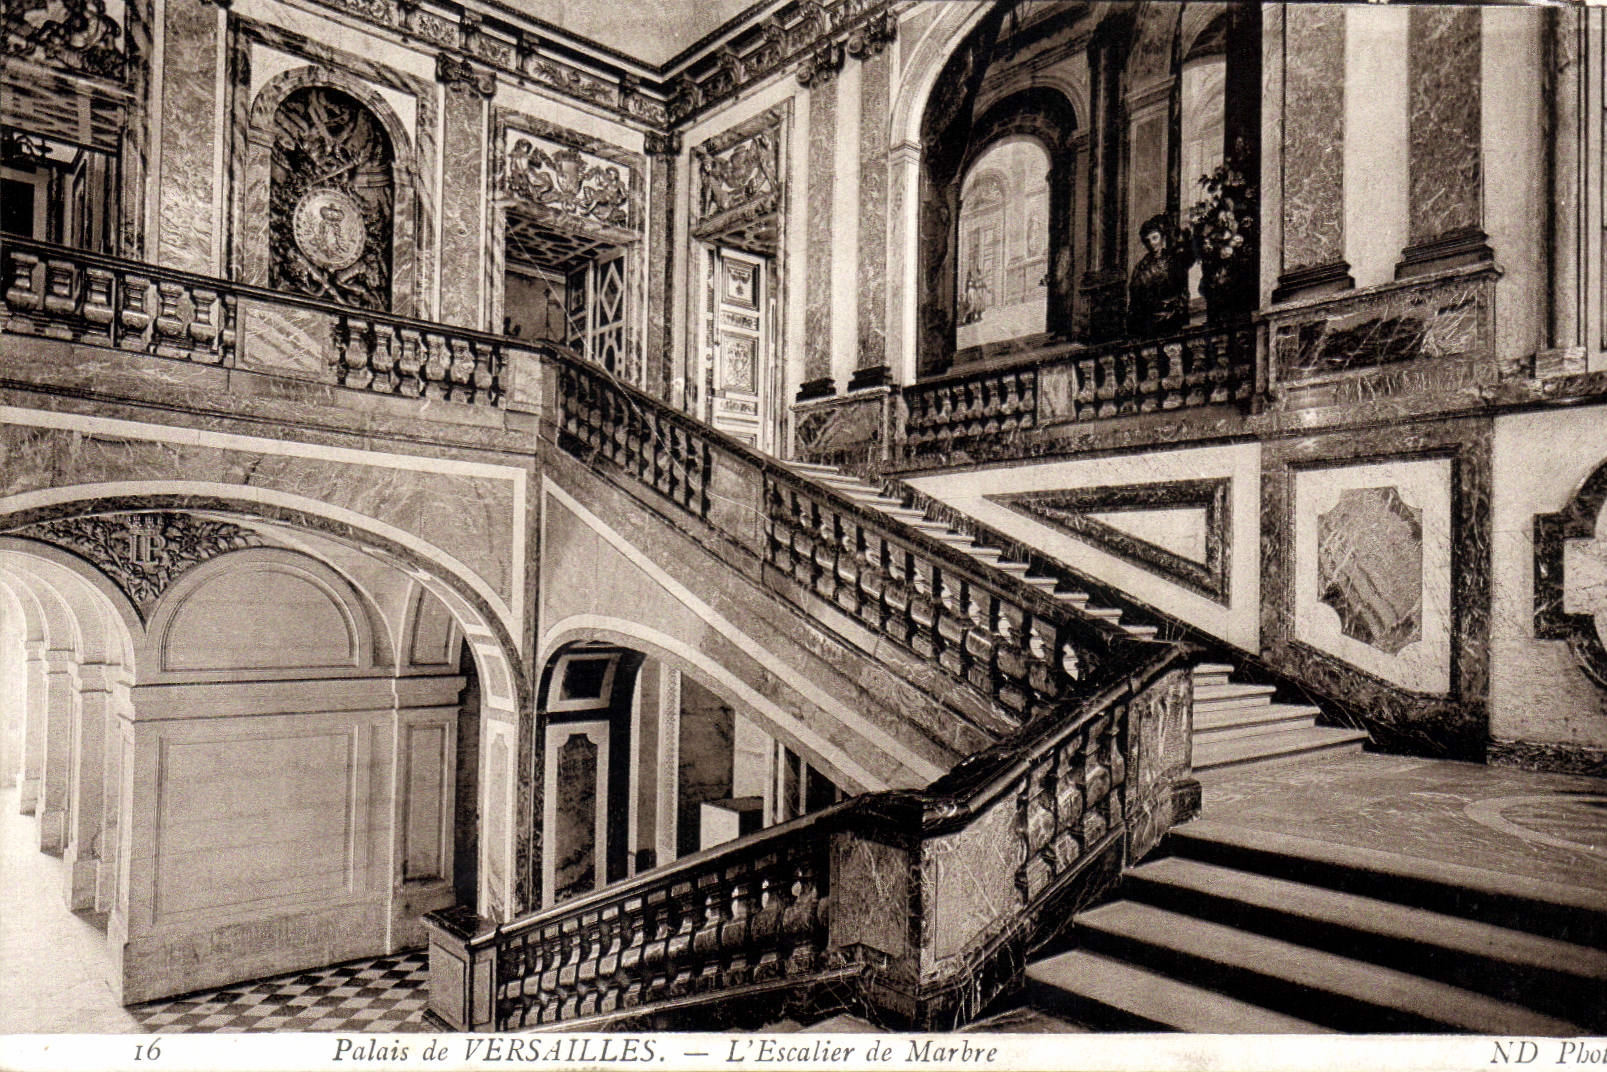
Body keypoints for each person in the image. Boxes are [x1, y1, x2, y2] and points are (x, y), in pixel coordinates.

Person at [1126, 213, 1192, 338]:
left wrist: (1177, 308)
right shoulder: (1141, 267)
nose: (1152, 243)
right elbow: (1136, 296)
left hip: (1173, 317)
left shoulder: (1173, 260)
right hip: (1150, 320)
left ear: (1162, 237)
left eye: (1155, 238)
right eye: (1147, 241)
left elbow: (1183, 288)